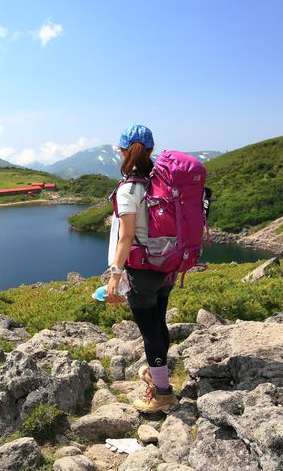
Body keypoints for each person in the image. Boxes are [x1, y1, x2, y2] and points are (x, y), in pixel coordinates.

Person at [106, 124, 179, 413]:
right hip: (168, 267)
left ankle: (162, 393)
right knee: (159, 324)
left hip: (143, 272)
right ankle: (157, 371)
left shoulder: (129, 190)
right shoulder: (162, 184)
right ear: (150, 151)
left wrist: (114, 276)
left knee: (150, 333)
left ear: (124, 152)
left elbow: (125, 238)